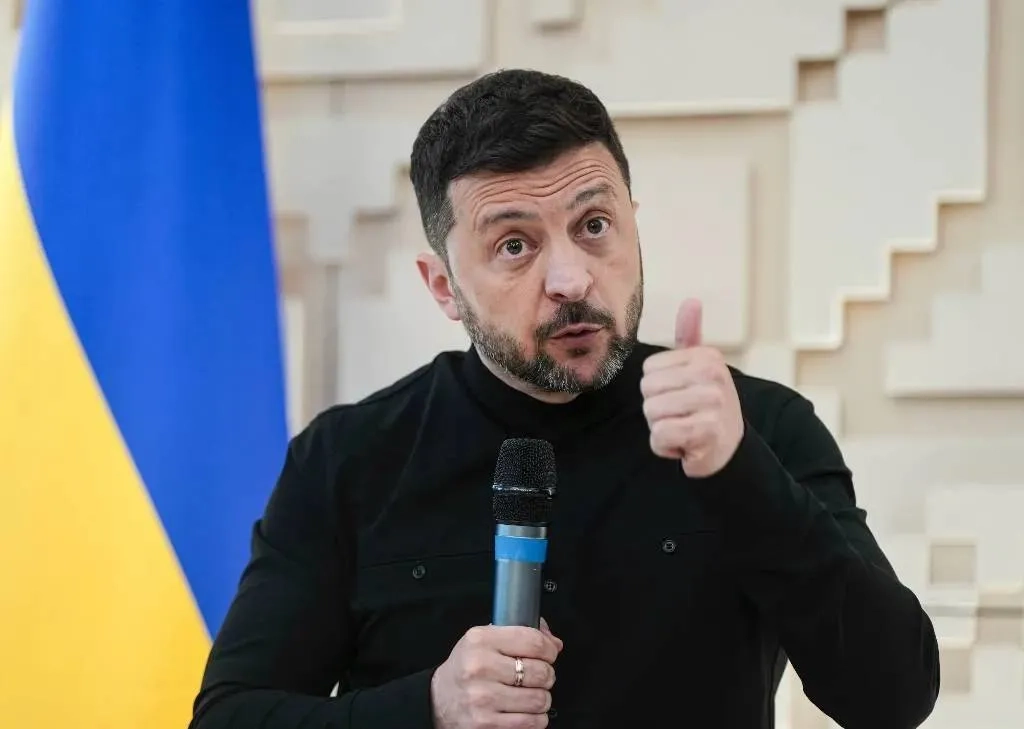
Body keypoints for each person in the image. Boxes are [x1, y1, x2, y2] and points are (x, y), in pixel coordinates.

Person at [189, 68, 940, 729]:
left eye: (594, 225)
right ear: (443, 286)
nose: (572, 279)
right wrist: (429, 707)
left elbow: (892, 698)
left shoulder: (759, 426)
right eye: (514, 245)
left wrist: (739, 470)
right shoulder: (348, 458)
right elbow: (229, 715)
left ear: (634, 227)